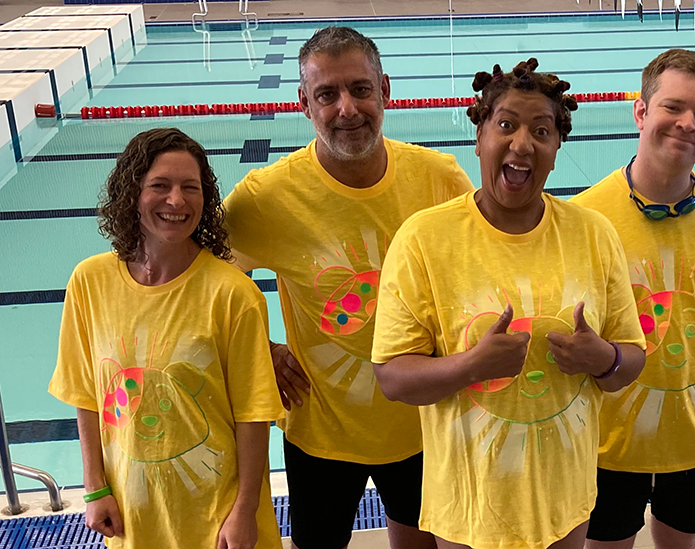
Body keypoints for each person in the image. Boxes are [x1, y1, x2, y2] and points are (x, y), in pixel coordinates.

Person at [370, 59, 647, 549]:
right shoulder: (425, 239)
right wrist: (471, 365)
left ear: (556, 150)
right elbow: (392, 377)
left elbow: (631, 359)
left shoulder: (593, 234)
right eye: (506, 125)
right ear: (479, 137)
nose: (522, 143)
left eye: (541, 130)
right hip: (468, 507)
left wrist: (602, 358)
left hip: (566, 502)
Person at [221, 26, 473, 549]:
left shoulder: (438, 177)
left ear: (385, 89)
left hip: (423, 423)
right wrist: (259, 349)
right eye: (327, 94)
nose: (347, 109)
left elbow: (479, 270)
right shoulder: (268, 198)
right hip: (320, 428)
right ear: (304, 104)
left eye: (360, 89)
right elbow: (209, 286)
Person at [571, 49, 695, 549]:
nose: (688, 124)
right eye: (673, 107)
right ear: (640, 112)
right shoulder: (583, 219)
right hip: (603, 446)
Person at [48, 128, 284, 549]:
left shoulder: (233, 293)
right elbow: (85, 392)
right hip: (133, 518)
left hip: (217, 517)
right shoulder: (90, 281)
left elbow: (253, 414)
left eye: (190, 188)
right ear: (131, 193)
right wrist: (95, 488)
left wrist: (245, 509)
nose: (176, 201)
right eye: (160, 185)